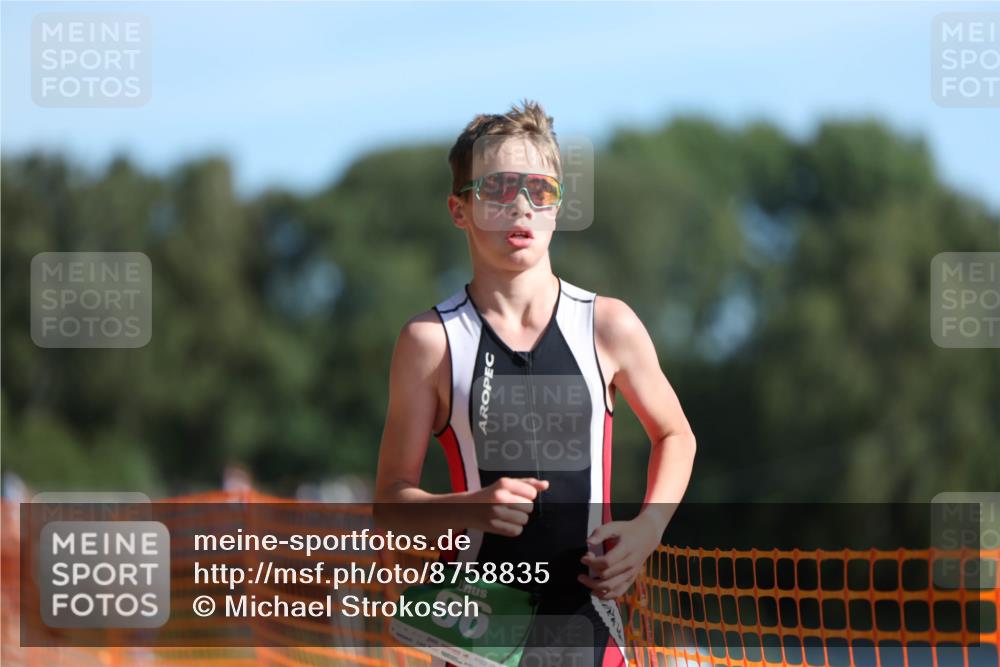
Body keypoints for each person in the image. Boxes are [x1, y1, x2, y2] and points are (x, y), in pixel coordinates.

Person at [374, 100, 697, 667]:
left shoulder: (608, 324)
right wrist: (471, 507)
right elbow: (391, 504)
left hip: (590, 631)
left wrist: (649, 527)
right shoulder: (430, 341)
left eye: (539, 190)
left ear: (558, 208)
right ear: (459, 209)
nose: (519, 206)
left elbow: (676, 435)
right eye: (497, 189)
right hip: (477, 636)